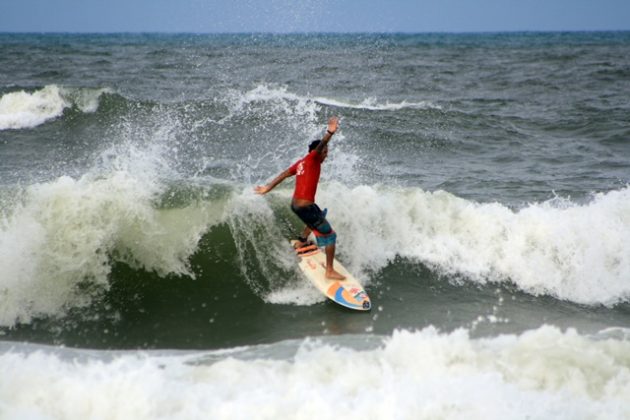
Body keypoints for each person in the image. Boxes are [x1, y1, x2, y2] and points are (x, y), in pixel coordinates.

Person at [254, 116, 345, 280]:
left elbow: (283, 174)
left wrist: (268, 187)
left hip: (296, 205)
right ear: (315, 152)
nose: (326, 156)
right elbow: (320, 147)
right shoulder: (313, 158)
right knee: (330, 235)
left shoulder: (301, 163)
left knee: (320, 214)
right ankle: (329, 270)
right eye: (325, 152)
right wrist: (330, 132)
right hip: (305, 206)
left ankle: (302, 240)